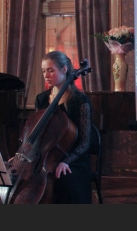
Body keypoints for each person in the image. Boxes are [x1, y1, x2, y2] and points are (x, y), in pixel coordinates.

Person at [32, 51, 92, 204]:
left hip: (73, 157)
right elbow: (36, 132)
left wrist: (66, 161)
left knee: (63, 177)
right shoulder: (41, 99)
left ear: (64, 69)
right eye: (43, 71)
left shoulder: (80, 101)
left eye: (50, 70)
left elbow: (85, 142)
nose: (46, 75)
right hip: (45, 155)